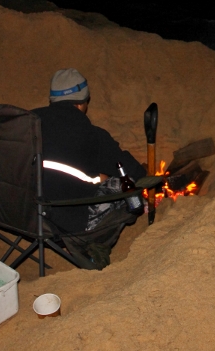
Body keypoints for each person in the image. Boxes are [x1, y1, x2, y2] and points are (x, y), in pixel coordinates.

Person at [32, 68, 146, 237]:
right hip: (68, 222)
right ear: (81, 103)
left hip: (24, 212)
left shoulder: (26, 123)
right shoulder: (92, 134)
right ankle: (91, 248)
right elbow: (132, 171)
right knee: (124, 189)